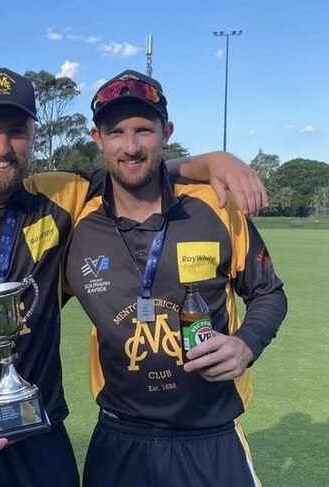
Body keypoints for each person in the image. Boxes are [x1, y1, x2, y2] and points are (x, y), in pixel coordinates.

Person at [0, 67, 268, 487]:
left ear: (34, 134)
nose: (2, 147)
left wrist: (212, 160)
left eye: (17, 130)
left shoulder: (60, 197)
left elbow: (133, 166)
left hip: (40, 440)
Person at [63, 70, 288, 486]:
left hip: (212, 436)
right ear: (98, 139)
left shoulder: (215, 206)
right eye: (116, 132)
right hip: (119, 438)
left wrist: (246, 345)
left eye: (144, 130)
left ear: (166, 132)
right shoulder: (76, 222)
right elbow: (33, 301)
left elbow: (269, 293)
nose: (131, 147)